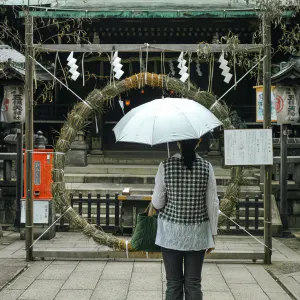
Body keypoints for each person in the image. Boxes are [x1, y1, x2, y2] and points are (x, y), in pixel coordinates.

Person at [151, 139, 219, 300]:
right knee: (194, 283)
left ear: (178, 143)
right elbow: (212, 203)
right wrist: (213, 234)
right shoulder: (206, 167)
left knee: (173, 283)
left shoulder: (165, 166)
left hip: (170, 233)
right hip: (197, 234)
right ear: (199, 142)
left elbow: (158, 203)